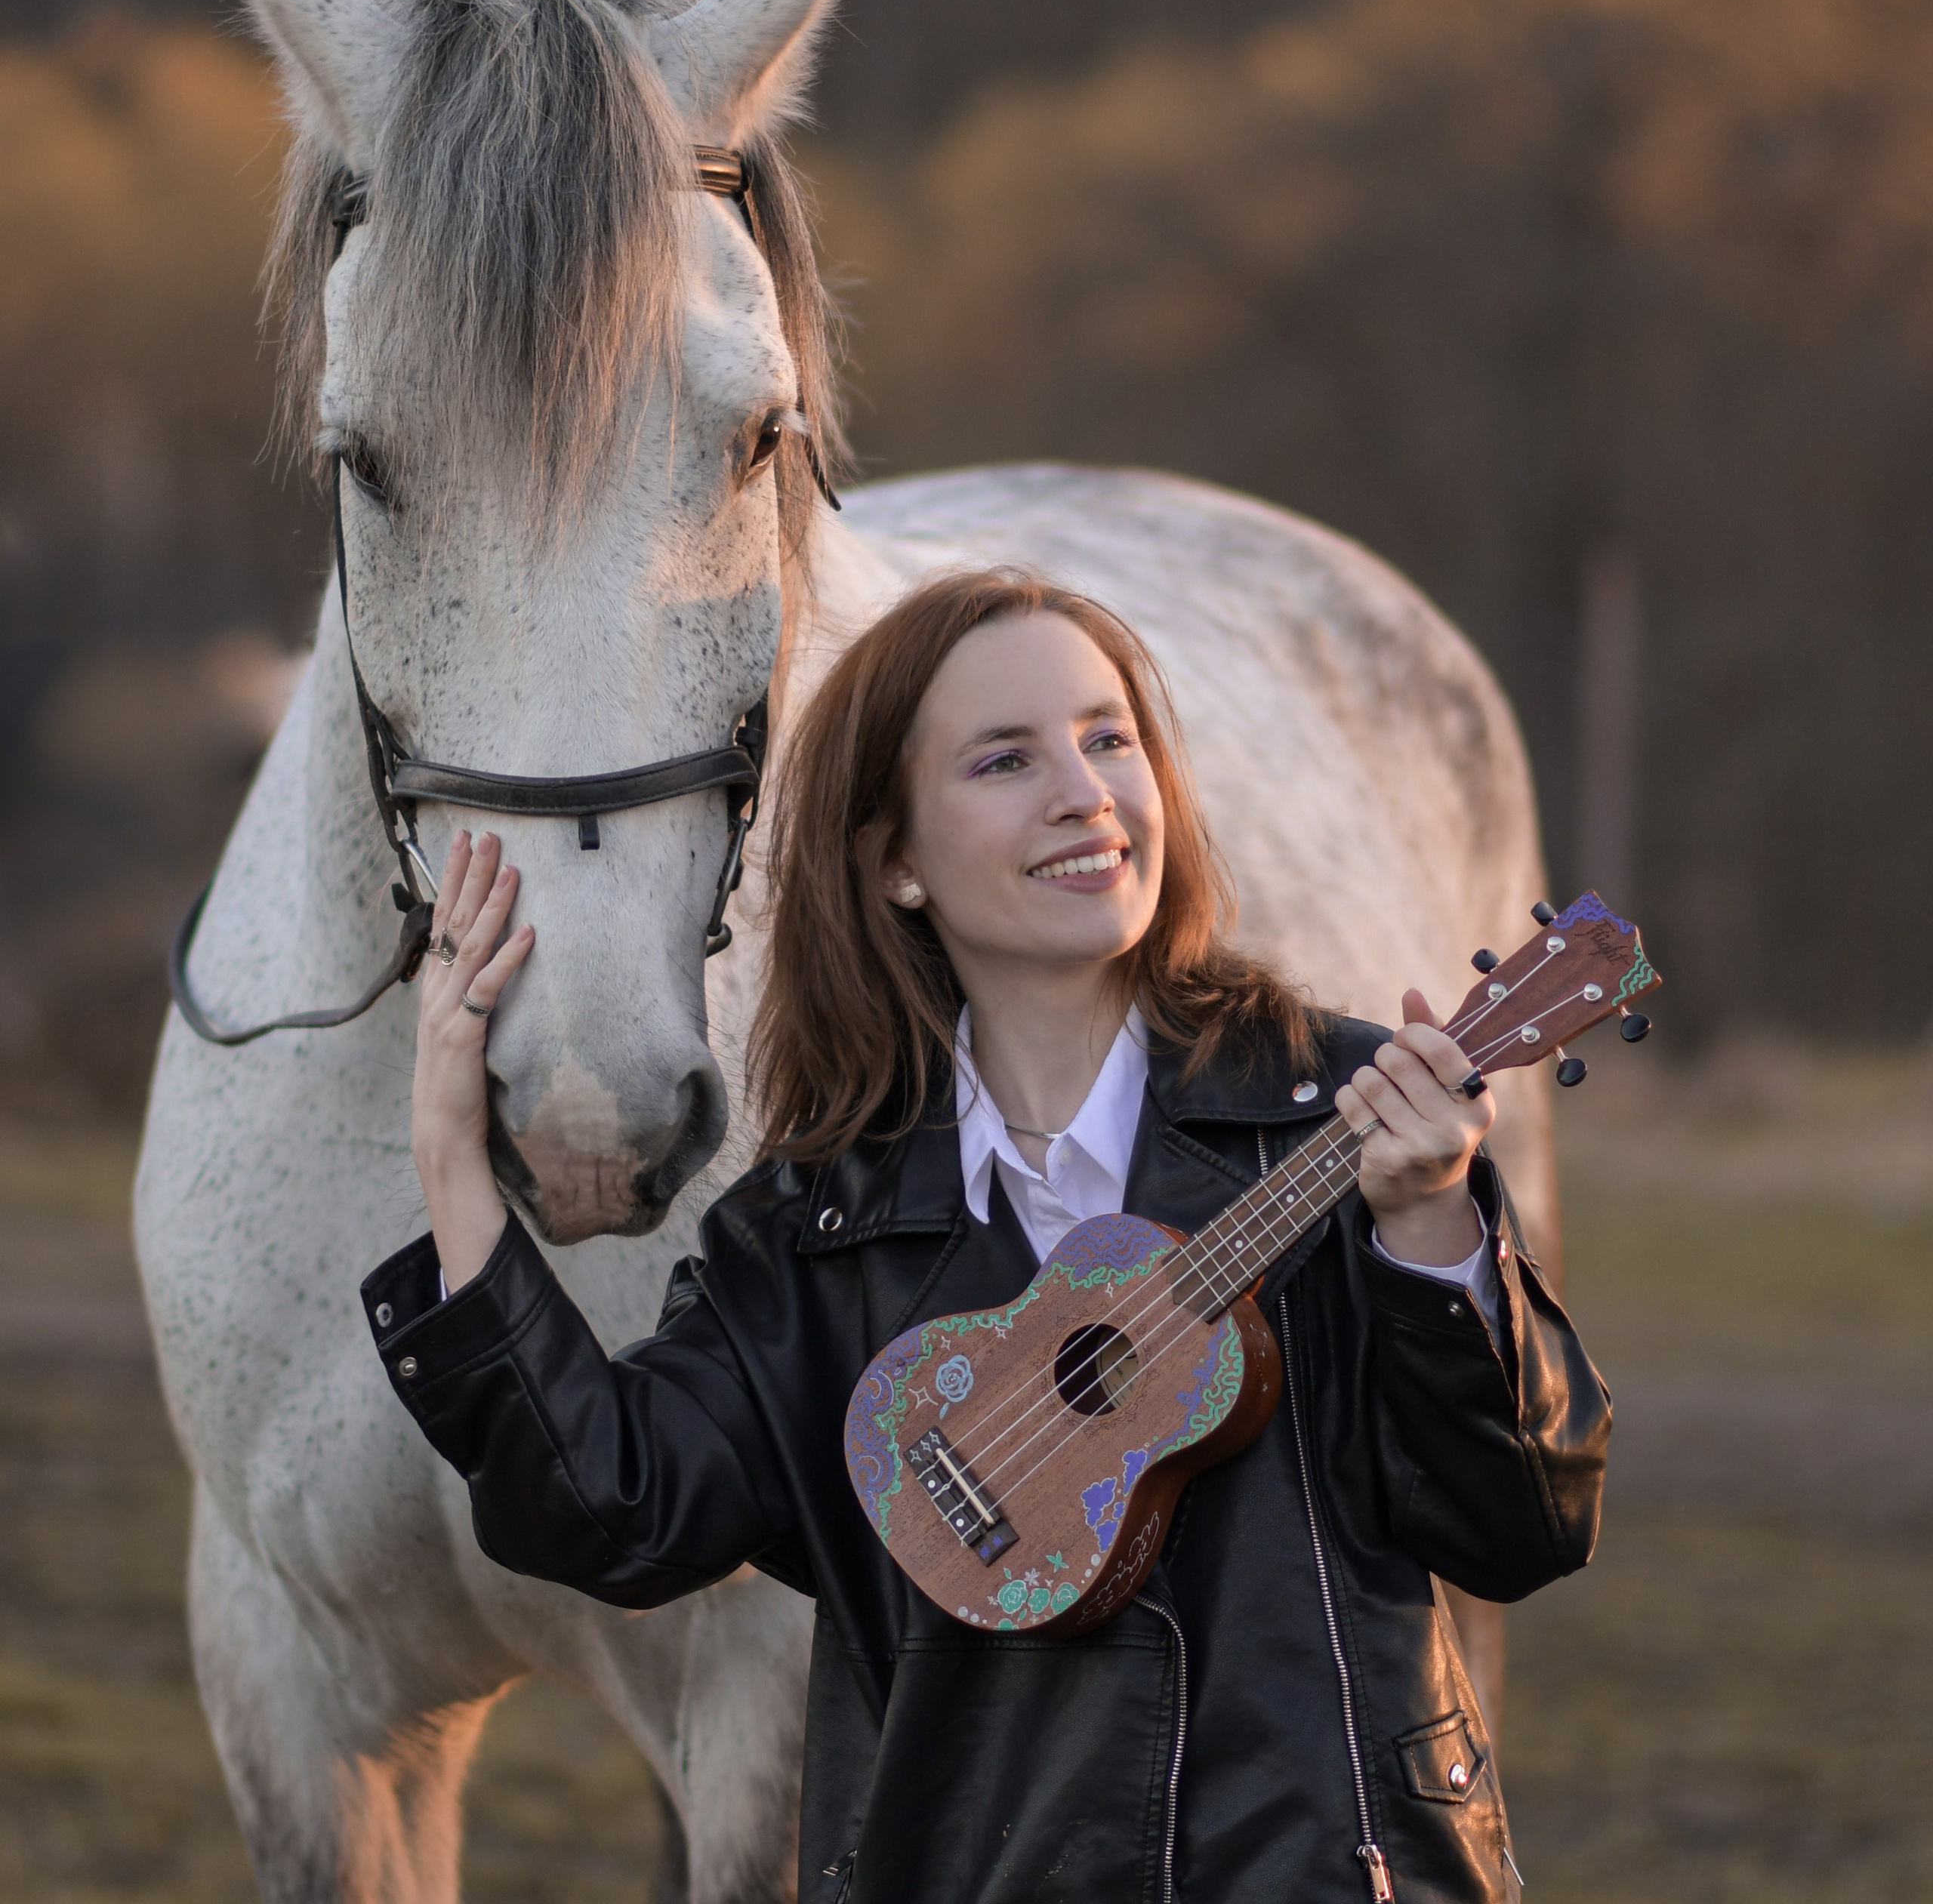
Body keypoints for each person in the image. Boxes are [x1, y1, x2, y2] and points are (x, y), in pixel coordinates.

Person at [366, 571, 1608, 1904]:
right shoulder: (816, 1239)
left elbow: (1520, 1526)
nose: (1083, 792)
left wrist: (1429, 1236)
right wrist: (453, 1166)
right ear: (894, 858)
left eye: (1108, 737)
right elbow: (611, 1509)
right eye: (1006, 759)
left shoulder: (1341, 1119)